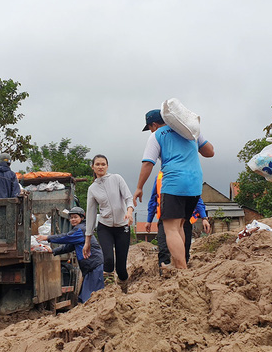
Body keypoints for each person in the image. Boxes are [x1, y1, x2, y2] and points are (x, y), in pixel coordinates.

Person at [134, 108, 214, 269]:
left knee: (170, 229)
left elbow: (148, 163)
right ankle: (179, 264)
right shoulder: (189, 130)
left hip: (175, 182)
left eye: (150, 127)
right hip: (195, 184)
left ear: (154, 125)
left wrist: (139, 187)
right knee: (179, 226)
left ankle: (182, 269)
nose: (150, 130)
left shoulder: (157, 135)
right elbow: (210, 152)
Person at [82, 155, 134, 293]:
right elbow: (91, 213)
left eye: (103, 164)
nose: (100, 167)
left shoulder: (116, 179)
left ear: (107, 166)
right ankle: (109, 292)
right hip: (105, 227)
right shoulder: (92, 189)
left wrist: (129, 211)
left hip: (122, 227)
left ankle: (123, 291)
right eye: (97, 164)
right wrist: (87, 240)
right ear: (93, 167)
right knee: (108, 259)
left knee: (121, 268)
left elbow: (128, 197)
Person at [145, 171, 211, 272]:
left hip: (183, 220)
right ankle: (164, 279)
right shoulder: (159, 178)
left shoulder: (185, 176)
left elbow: (197, 199)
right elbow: (154, 199)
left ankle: (182, 275)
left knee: (184, 251)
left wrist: (204, 218)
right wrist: (149, 220)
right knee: (163, 250)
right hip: (165, 219)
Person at [36, 207, 104, 303]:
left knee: (91, 298)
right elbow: (68, 247)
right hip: (90, 267)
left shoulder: (81, 229)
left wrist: (47, 237)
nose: (73, 220)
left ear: (82, 218)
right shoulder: (80, 230)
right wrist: (53, 251)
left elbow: (65, 237)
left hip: (94, 266)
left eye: (75, 217)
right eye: (71, 217)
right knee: (85, 297)